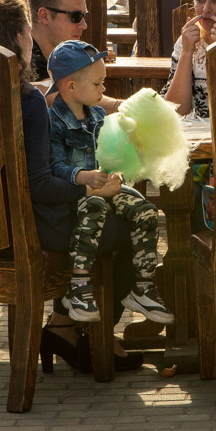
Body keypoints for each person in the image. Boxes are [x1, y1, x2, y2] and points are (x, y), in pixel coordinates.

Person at [0, 0, 140, 371]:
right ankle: (90, 334)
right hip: (29, 231)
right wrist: (89, 186)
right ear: (18, 38)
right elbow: (40, 186)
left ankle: (65, 328)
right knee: (123, 228)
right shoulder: (25, 98)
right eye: (28, 31)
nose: (31, 40)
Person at [45, 40, 174, 325]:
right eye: (98, 84)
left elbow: (106, 156)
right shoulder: (53, 122)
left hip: (101, 186)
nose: (104, 90)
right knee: (94, 207)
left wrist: (116, 169)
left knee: (145, 210)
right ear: (70, 86)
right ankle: (78, 286)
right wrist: (83, 177)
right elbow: (54, 166)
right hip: (76, 194)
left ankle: (142, 286)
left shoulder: (98, 115)